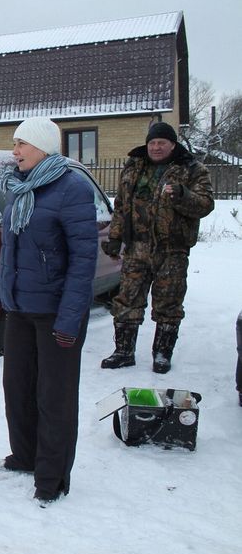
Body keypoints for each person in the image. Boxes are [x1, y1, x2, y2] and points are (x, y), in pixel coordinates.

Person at [0, 117, 98, 506]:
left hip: (56, 313)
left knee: (55, 397)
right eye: (14, 143)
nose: (14, 151)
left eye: (22, 144)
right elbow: (12, 249)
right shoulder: (21, 188)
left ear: (44, 147)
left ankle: (52, 477)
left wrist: (69, 320)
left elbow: (84, 262)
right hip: (21, 307)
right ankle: (26, 455)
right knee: (17, 388)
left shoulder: (72, 189)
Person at [100, 122, 214, 374]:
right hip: (136, 247)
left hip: (171, 250)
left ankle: (162, 354)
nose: (156, 147)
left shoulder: (192, 169)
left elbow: (205, 204)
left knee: (168, 303)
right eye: (152, 142)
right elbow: (121, 206)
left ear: (173, 145)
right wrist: (115, 238)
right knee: (127, 299)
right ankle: (123, 351)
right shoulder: (134, 166)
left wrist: (183, 195)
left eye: (162, 142)